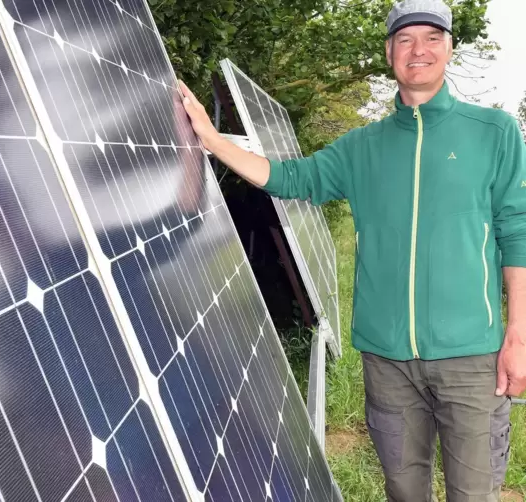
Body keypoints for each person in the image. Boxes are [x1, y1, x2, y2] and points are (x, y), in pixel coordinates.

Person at [179, 0, 526, 500]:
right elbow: (288, 177)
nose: (419, 50)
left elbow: (517, 231)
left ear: (450, 48)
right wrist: (211, 139)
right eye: (405, 39)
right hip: (387, 361)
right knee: (404, 491)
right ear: (390, 52)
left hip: (472, 355)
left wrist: (517, 335)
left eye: (432, 37)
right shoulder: (362, 146)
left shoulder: (494, 133)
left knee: (474, 493)